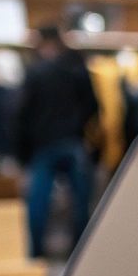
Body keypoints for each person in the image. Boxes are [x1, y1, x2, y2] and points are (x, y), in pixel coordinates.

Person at [16, 26, 99, 258]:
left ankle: (36, 253)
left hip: (43, 145)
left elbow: (21, 114)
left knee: (38, 201)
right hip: (73, 142)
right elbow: (93, 106)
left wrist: (22, 152)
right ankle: (80, 252)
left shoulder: (35, 72)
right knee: (80, 202)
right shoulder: (77, 68)